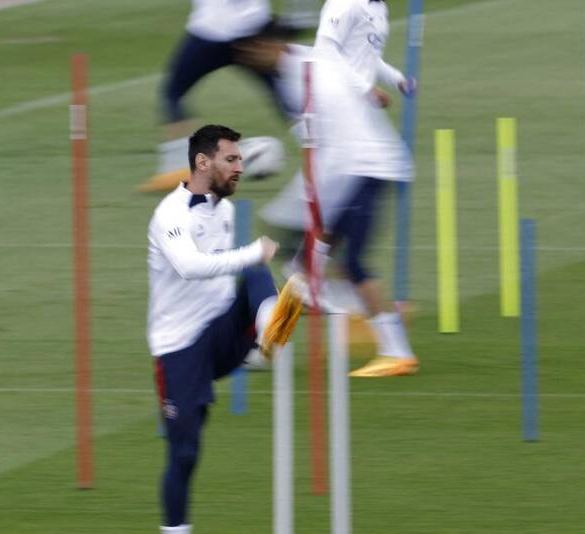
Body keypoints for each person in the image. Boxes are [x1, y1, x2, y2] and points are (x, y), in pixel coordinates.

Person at [147, 124, 305, 533]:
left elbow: (227, 272)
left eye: (240, 159)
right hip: (178, 346)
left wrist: (251, 262)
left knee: (255, 272)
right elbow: (189, 267)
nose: (240, 168)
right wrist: (251, 252)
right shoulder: (171, 214)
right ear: (203, 162)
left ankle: (270, 331)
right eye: (231, 160)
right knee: (185, 453)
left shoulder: (227, 211)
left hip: (220, 331)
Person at [237, 34, 419, 378]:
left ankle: (395, 351)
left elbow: (330, 147)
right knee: (302, 269)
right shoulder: (306, 68)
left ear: (273, 44)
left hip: (367, 169)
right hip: (356, 169)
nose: (250, 58)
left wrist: (300, 206)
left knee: (349, 264)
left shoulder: (305, 76)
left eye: (252, 50)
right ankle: (271, 346)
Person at [137, 1, 299, 193]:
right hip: (254, 31)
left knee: (174, 94)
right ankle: (319, 150)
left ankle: (177, 168)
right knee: (282, 94)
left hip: (211, 32)